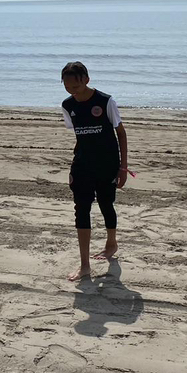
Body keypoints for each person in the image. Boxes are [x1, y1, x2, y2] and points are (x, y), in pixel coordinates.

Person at [61, 61, 128, 282]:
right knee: (81, 209)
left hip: (107, 163)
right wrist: (77, 163)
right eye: (67, 87)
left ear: (87, 80)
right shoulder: (67, 105)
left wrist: (123, 167)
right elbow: (79, 136)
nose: (72, 91)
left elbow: (121, 133)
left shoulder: (105, 102)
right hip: (82, 164)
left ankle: (111, 243)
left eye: (76, 86)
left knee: (106, 204)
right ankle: (85, 265)